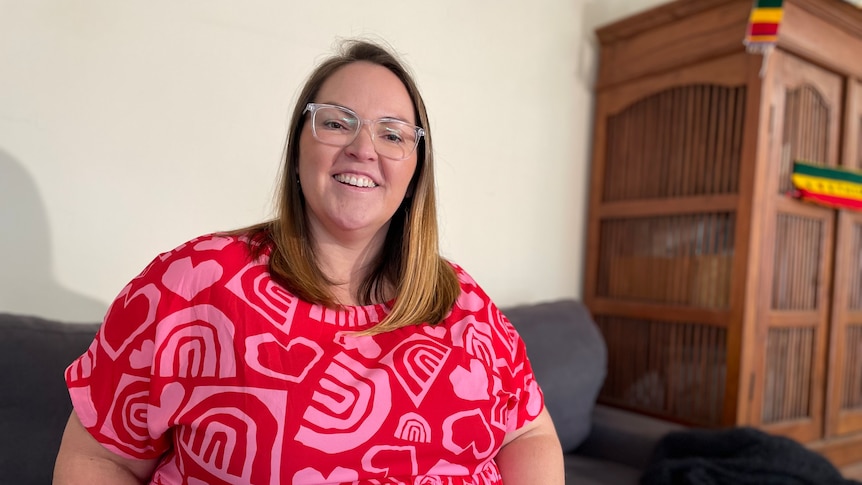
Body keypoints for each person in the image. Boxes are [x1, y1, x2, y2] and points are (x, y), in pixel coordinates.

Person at [53, 39, 564, 485]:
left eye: (392, 134)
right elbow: (100, 458)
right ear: (298, 149)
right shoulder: (191, 285)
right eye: (338, 123)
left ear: (415, 171)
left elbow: (530, 431)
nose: (364, 149)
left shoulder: (463, 301)